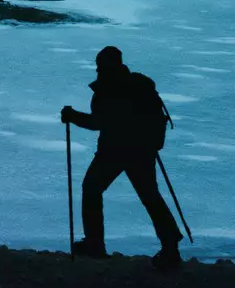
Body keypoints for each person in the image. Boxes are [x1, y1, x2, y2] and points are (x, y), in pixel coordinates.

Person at [61, 45, 184, 269]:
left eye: (100, 65)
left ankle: (95, 244)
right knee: (150, 197)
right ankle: (170, 247)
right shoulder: (140, 85)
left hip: (114, 151)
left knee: (92, 188)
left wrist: (71, 116)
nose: (98, 69)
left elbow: (97, 123)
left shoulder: (108, 88)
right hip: (142, 150)